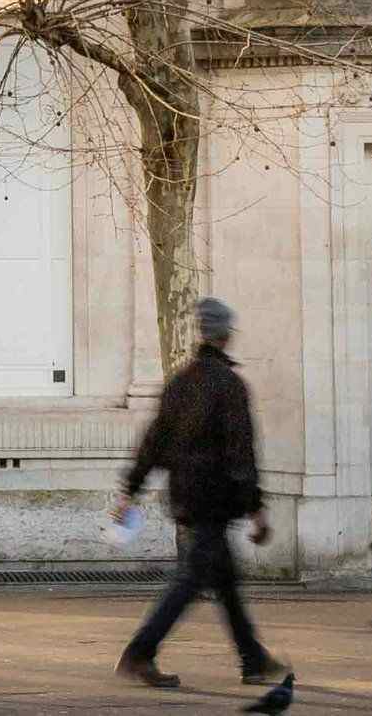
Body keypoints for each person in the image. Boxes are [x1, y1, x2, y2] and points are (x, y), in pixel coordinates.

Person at [113, 297, 288, 699]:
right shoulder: (229, 385)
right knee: (191, 580)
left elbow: (153, 442)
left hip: (186, 498)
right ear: (225, 335)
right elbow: (241, 454)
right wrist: (256, 508)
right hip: (215, 500)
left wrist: (130, 492)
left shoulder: (181, 382)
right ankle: (141, 651)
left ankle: (252, 658)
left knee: (224, 581)